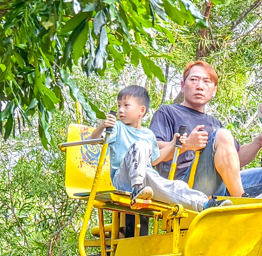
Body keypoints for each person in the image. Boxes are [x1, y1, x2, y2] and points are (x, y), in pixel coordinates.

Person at [151, 61, 262, 202]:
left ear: (214, 90)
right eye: (194, 80)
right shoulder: (168, 112)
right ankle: (241, 200)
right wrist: (186, 145)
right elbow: (153, 153)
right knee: (222, 134)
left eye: (206, 82)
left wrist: (258, 142)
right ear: (183, 86)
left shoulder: (215, 123)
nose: (200, 86)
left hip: (219, 185)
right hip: (184, 187)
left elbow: (235, 161)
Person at [90, 85, 227, 212]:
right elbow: (92, 141)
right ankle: (137, 188)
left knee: (177, 186)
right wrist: (102, 126)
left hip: (147, 178)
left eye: (126, 106)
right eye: (119, 105)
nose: (120, 110)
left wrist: (174, 144)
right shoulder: (117, 128)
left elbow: (155, 160)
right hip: (124, 180)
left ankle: (205, 204)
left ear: (141, 111)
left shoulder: (148, 134)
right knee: (140, 145)